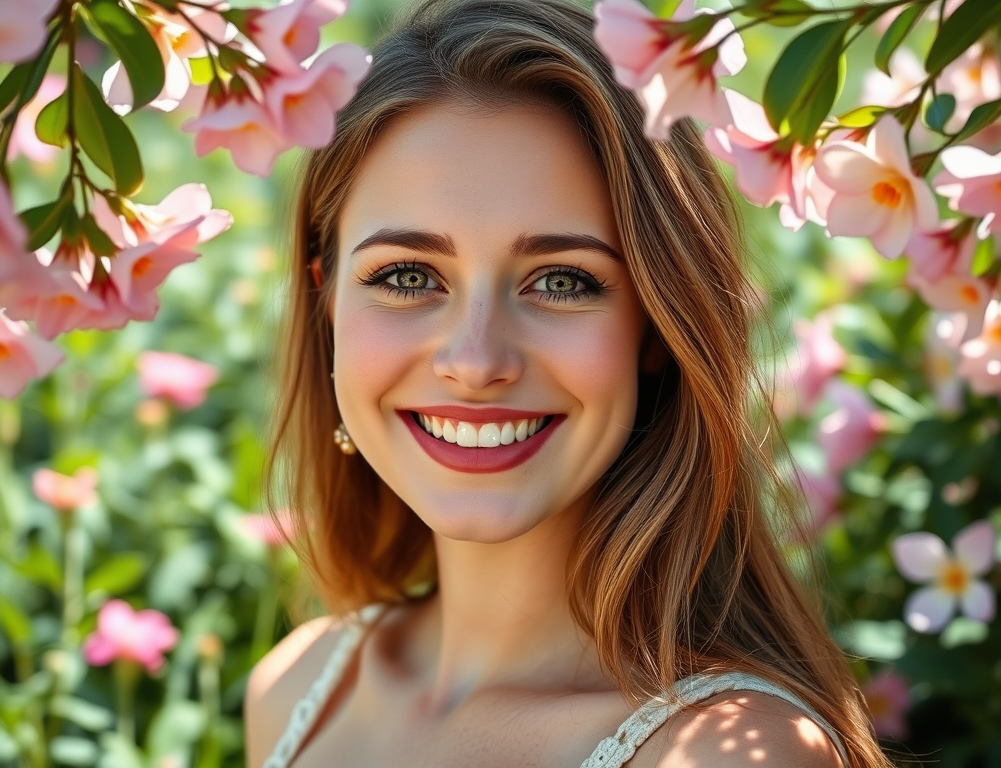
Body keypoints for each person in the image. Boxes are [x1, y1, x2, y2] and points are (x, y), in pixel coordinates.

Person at [244, 0, 891, 765]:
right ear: (325, 303)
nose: (477, 361)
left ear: (657, 326)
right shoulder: (295, 689)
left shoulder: (727, 753)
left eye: (562, 282)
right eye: (409, 275)